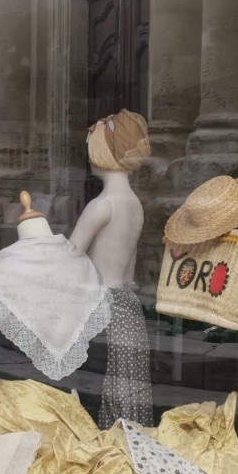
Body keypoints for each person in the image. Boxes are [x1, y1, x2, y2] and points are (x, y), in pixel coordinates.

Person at [69, 110, 154, 428]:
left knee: (98, 382)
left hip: (99, 304)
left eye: (92, 148)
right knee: (126, 384)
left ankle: (103, 437)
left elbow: (70, 256)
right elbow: (130, 266)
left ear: (103, 153)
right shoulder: (134, 205)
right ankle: (124, 436)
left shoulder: (102, 205)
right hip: (127, 305)